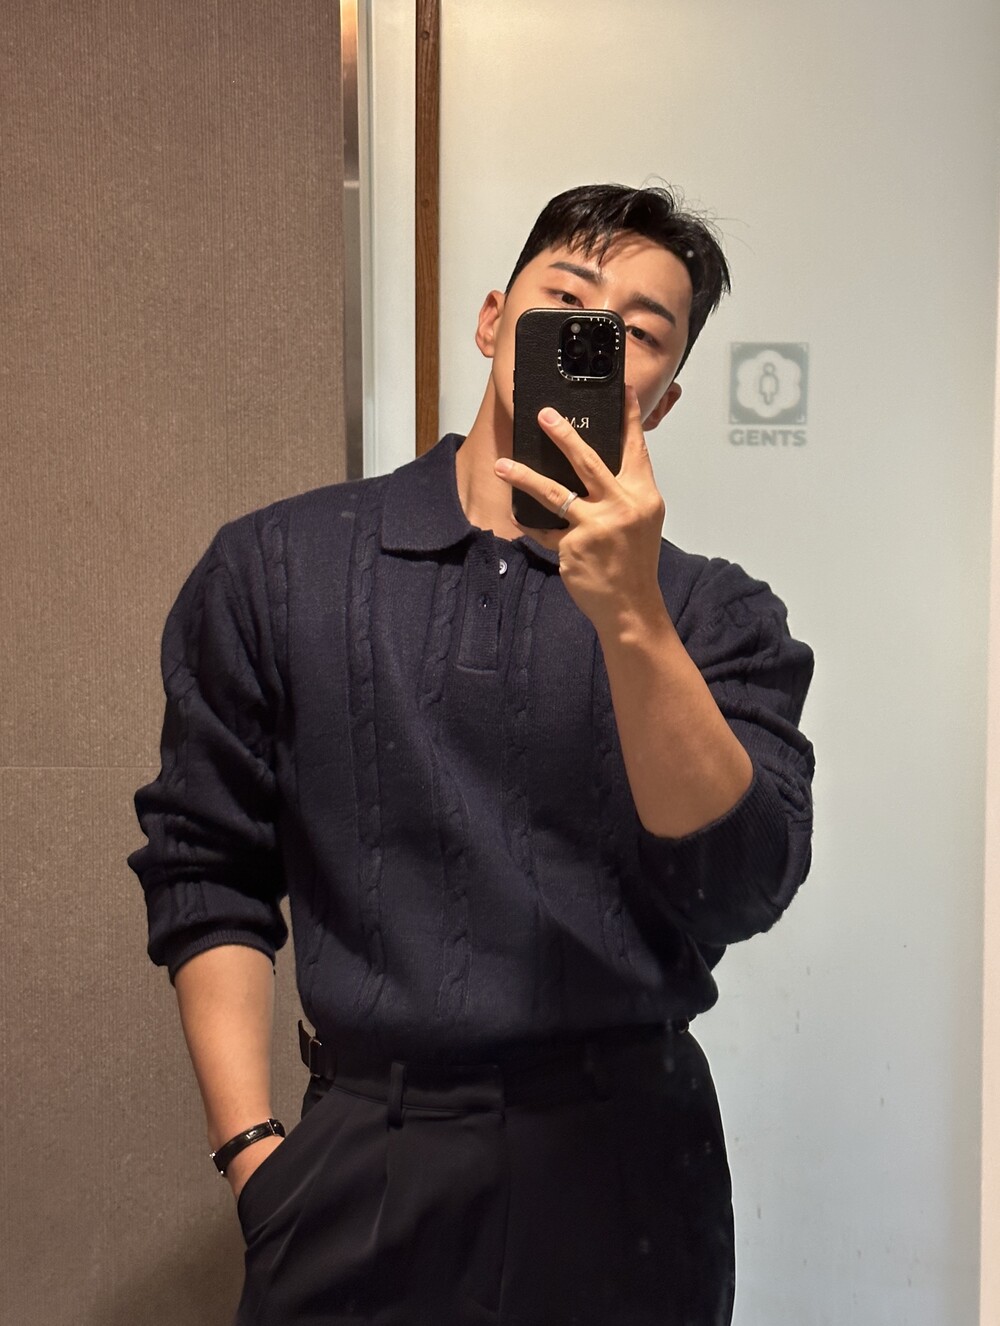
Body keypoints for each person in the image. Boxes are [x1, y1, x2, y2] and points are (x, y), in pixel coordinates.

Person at [129, 182, 815, 1326]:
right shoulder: (278, 566)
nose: (594, 338)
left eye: (639, 331)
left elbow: (739, 888)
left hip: (628, 1167)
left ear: (664, 396)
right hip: (364, 1149)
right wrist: (253, 1154)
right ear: (495, 321)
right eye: (567, 301)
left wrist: (633, 618)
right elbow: (205, 863)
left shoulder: (714, 615)